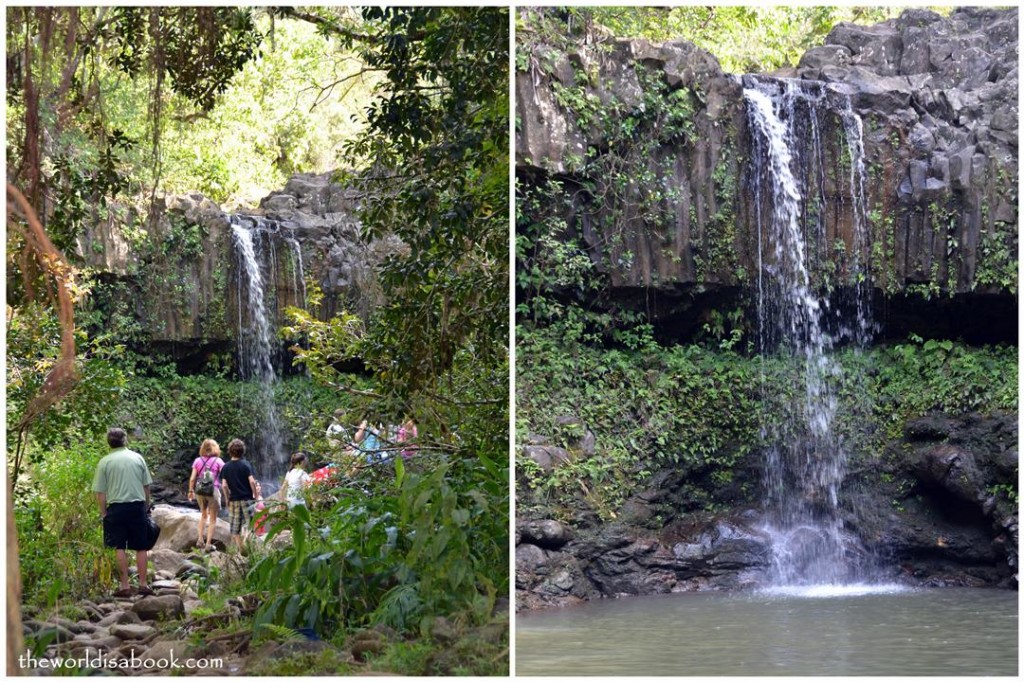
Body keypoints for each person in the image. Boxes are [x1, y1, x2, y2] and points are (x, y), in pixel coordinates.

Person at [93, 427, 155, 598]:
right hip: (137, 506)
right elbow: (146, 487)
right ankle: (143, 584)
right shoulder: (138, 458)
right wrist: (146, 507)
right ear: (125, 440)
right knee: (141, 546)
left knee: (119, 546)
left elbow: (101, 493)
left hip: (116, 508)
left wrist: (103, 512)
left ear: (109, 442)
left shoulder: (104, 462)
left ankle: (125, 585)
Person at [219, 438, 258, 552]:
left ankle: (241, 548)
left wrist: (227, 498)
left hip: (234, 500)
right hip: (247, 499)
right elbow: (251, 481)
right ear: (242, 451)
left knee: (235, 527)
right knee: (249, 524)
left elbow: (224, 486)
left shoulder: (225, 467)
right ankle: (247, 544)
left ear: (230, 451)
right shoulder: (246, 465)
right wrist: (255, 495)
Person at [187, 439, 225, 551]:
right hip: (213, 490)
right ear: (215, 448)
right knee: (213, 519)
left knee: (203, 515)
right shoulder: (218, 461)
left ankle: (200, 540)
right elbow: (225, 476)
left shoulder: (197, 461)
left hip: (200, 491)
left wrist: (190, 491)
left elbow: (193, 478)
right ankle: (208, 544)